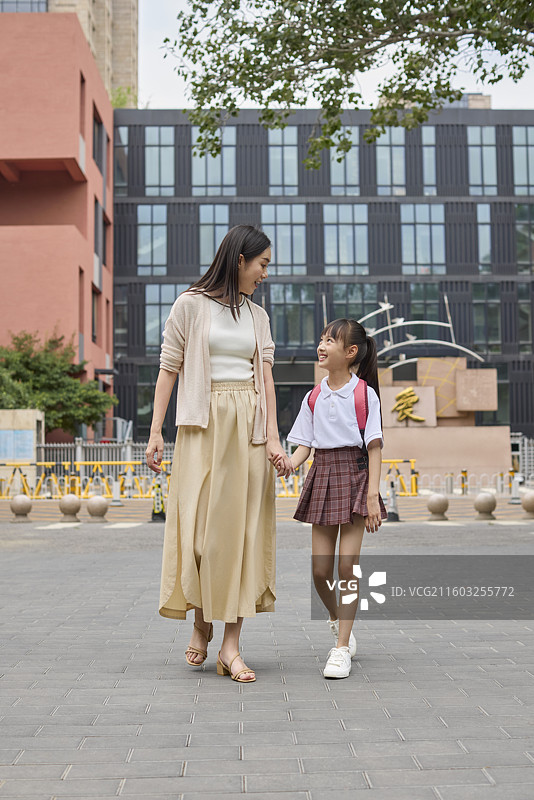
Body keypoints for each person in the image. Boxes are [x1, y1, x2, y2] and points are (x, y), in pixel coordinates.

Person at [145, 225, 292, 684]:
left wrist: (272, 434)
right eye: (262, 264)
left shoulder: (258, 316)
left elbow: (265, 378)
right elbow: (169, 369)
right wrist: (155, 432)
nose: (265, 274)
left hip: (247, 425)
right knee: (200, 534)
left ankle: (231, 645)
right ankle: (201, 619)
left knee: (242, 534)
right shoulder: (190, 305)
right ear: (239, 261)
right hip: (201, 424)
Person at [277, 318, 387, 680]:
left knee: (346, 567)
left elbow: (374, 447)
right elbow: (304, 446)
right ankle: (337, 619)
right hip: (323, 476)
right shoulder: (313, 395)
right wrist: (288, 463)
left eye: (330, 341)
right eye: (321, 338)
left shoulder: (364, 394)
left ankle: (341, 648)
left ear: (350, 351)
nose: (321, 345)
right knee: (321, 571)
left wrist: (372, 495)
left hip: (355, 477)